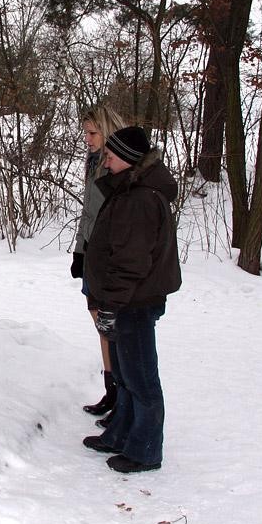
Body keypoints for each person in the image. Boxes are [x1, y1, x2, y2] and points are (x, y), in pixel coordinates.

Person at [82, 126, 181, 474]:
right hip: (125, 301)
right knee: (125, 374)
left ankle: (145, 451)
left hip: (134, 303)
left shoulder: (140, 199)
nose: (105, 162)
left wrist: (110, 304)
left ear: (126, 158)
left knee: (140, 378)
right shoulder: (129, 189)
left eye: (109, 157)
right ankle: (121, 434)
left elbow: (131, 262)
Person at [71, 104, 127, 417]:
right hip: (92, 254)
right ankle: (111, 390)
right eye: (86, 133)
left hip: (108, 259)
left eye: (92, 133)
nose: (88, 139)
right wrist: (80, 251)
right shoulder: (94, 163)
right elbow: (88, 213)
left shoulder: (118, 168)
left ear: (108, 129)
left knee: (112, 326)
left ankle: (121, 392)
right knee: (99, 320)